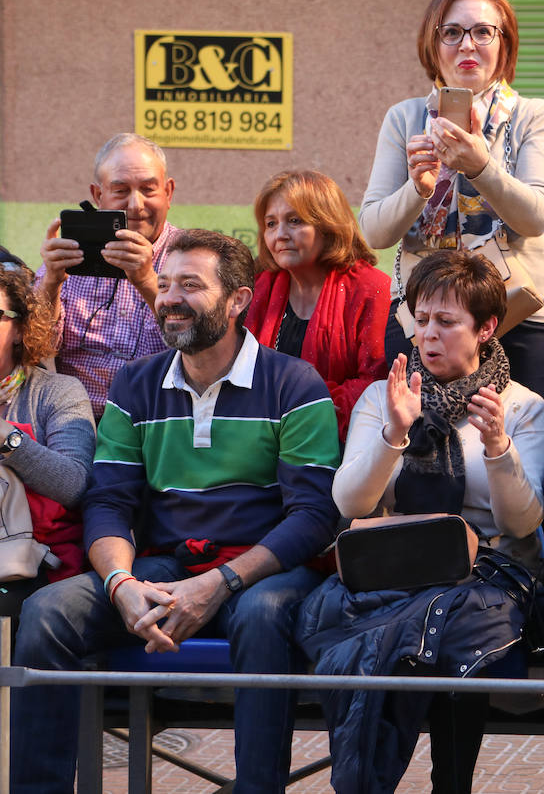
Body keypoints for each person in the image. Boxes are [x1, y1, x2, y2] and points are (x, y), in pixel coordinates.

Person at [11, 229, 341, 794]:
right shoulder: (135, 383)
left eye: (190, 285)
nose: (169, 299)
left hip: (264, 570)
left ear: (237, 300)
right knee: (47, 611)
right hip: (163, 567)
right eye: (164, 285)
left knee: (262, 615)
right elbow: (108, 501)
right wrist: (120, 584)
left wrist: (220, 582)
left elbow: (313, 517)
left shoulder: (294, 383)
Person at [295, 249, 544, 794]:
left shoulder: (520, 406)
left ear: (486, 328)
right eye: (422, 318)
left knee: (447, 629)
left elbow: (522, 523)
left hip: (486, 571)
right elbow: (351, 502)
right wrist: (394, 434)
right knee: (385, 629)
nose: (428, 335)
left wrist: (498, 447)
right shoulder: (386, 396)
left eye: (447, 322)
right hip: (392, 566)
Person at [359, 0, 544, 409]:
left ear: (505, 44)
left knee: (522, 432)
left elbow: (536, 217)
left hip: (516, 311)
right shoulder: (405, 118)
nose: (467, 44)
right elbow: (374, 232)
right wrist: (418, 188)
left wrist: (481, 167)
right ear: (433, 46)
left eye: (483, 31)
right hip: (423, 317)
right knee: (415, 434)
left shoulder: (533, 116)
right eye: (451, 32)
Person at [35, 132, 180, 419]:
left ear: (169, 192)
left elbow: (200, 344)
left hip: (158, 419)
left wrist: (146, 280)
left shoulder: (190, 256)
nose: (136, 205)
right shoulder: (71, 254)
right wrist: (51, 282)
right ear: (98, 196)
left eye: (148, 189)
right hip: (74, 418)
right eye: (121, 191)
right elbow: (35, 347)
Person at [245, 169, 392, 442]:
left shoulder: (372, 288)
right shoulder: (256, 287)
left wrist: (305, 406)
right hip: (260, 440)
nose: (280, 235)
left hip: (343, 444)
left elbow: (378, 384)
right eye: (271, 224)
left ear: (328, 225)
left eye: (294, 221)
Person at [0, 268, 96, 610]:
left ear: (20, 329)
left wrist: (7, 438)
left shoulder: (58, 392)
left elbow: (74, 484)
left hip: (33, 565)